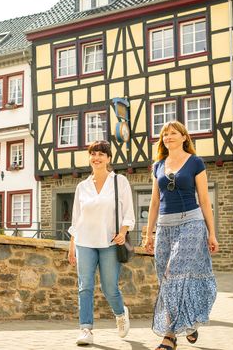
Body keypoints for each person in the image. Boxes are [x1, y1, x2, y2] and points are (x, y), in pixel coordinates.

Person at [143, 121, 219, 350]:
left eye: (173, 133)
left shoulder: (195, 162)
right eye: (165, 134)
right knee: (165, 279)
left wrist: (212, 233)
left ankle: (169, 335)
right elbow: (155, 202)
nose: (168, 137)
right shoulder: (157, 165)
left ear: (184, 137)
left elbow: (205, 200)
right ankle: (190, 323)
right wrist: (149, 234)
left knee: (173, 271)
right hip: (165, 226)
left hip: (191, 223)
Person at [68, 140, 135, 346]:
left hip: (110, 242)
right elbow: (76, 218)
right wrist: (72, 246)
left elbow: (128, 213)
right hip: (84, 242)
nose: (96, 158)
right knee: (85, 286)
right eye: (93, 154)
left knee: (109, 288)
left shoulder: (119, 181)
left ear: (108, 158)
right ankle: (86, 329)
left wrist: (123, 232)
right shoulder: (82, 186)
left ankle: (120, 313)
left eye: (101, 154)